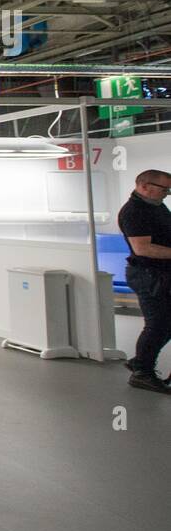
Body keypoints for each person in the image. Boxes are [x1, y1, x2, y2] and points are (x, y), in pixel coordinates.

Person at [117, 168, 171, 394]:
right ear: (144, 186)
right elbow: (143, 248)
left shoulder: (157, 207)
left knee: (165, 324)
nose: (166, 194)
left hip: (161, 274)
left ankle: (141, 360)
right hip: (148, 275)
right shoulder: (134, 212)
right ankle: (142, 372)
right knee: (158, 324)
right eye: (164, 189)